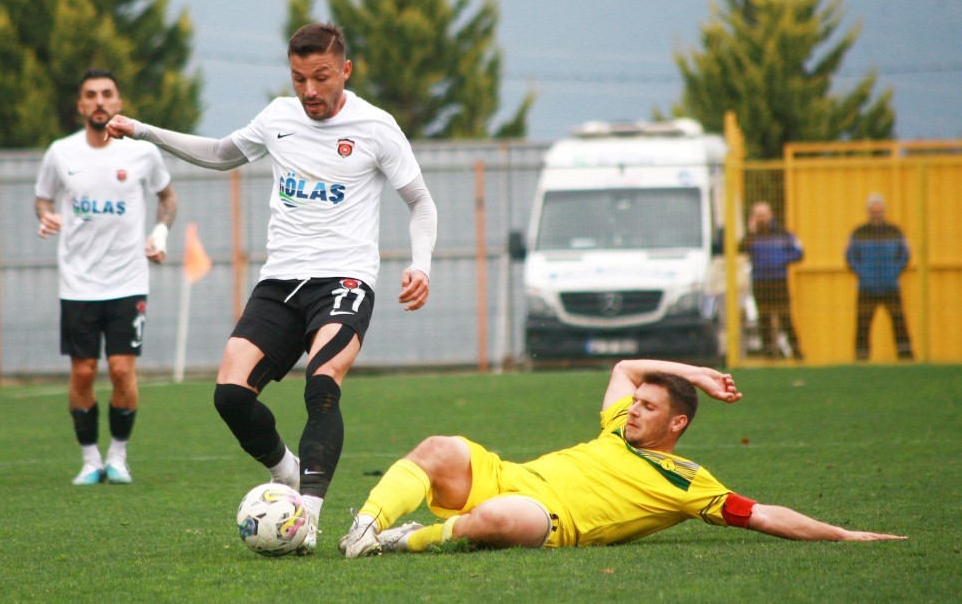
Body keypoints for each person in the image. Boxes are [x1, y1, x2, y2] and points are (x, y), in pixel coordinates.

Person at [105, 22, 437, 554]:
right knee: (230, 396)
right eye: (299, 78)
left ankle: (306, 517)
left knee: (322, 385)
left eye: (321, 77)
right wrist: (145, 130)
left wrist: (421, 264)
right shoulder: (278, 118)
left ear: (345, 71)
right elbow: (219, 153)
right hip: (280, 281)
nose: (310, 91)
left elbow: (420, 202)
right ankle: (287, 472)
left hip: (345, 280)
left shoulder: (376, 127)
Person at [341, 359, 906, 557]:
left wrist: (846, 535)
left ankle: (401, 541)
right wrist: (694, 374)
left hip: (548, 521)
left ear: (676, 424)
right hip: (507, 476)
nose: (633, 409)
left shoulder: (687, 482)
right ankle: (364, 528)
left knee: (500, 518)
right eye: (635, 404)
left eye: (648, 407)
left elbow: (761, 514)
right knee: (442, 447)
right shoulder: (619, 428)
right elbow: (624, 372)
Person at [35, 68, 178, 486]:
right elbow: (43, 198)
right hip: (78, 283)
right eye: (90, 95)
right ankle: (88, 459)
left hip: (128, 281)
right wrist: (46, 217)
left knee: (120, 370)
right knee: (82, 372)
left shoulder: (142, 154)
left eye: (107, 94)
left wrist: (159, 231)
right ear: (80, 106)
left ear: (119, 103)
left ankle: (117, 456)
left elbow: (166, 195)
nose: (99, 101)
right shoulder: (60, 153)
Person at [845, 193, 912, 360]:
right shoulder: (858, 232)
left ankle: (906, 357)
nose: (876, 213)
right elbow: (849, 256)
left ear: (883, 210)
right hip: (866, 287)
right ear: (867, 211)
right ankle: (861, 359)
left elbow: (905, 255)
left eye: (878, 210)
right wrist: (863, 274)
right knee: (862, 324)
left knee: (899, 322)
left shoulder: (895, 231)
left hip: (891, 286)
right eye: (873, 210)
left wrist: (893, 273)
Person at [739, 201, 804, 359]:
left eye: (763, 215)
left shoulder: (783, 234)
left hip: (779, 281)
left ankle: (796, 351)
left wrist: (780, 260)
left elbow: (799, 253)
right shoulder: (751, 237)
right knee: (764, 318)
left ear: (770, 215)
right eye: (758, 215)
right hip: (760, 282)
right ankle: (768, 352)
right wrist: (751, 232)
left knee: (785, 317)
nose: (761, 218)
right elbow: (740, 249)